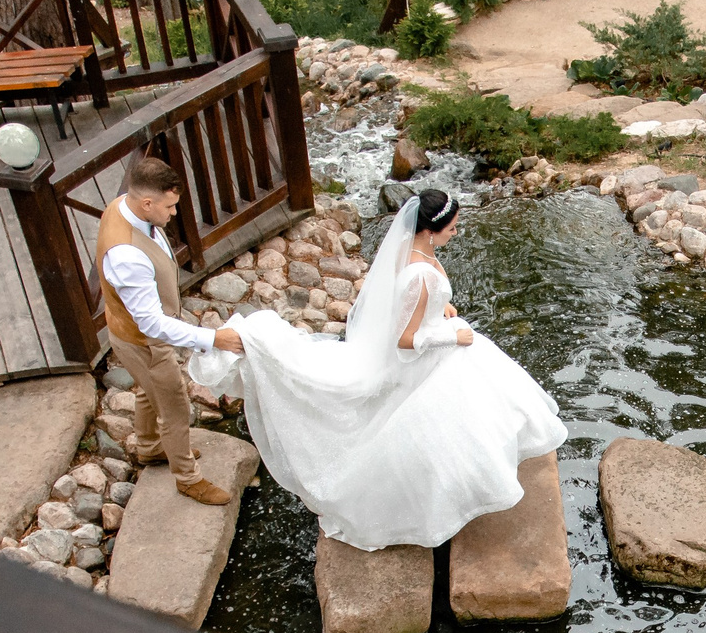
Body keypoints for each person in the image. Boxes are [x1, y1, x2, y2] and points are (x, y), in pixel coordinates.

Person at [231, 188, 566, 550]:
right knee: (467, 393)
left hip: (437, 328)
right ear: (429, 230)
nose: (456, 234)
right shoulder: (420, 275)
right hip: (424, 354)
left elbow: (411, 304)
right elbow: (404, 339)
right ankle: (451, 490)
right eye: (452, 229)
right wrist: (452, 339)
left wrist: (445, 308)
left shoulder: (411, 251)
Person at [96, 155, 248, 505]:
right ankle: (187, 479)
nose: (174, 214)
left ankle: (149, 447)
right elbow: (150, 323)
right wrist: (213, 338)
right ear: (147, 202)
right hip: (143, 341)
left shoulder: (123, 204)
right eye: (170, 206)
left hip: (131, 333)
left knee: (148, 392)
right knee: (175, 406)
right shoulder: (127, 256)